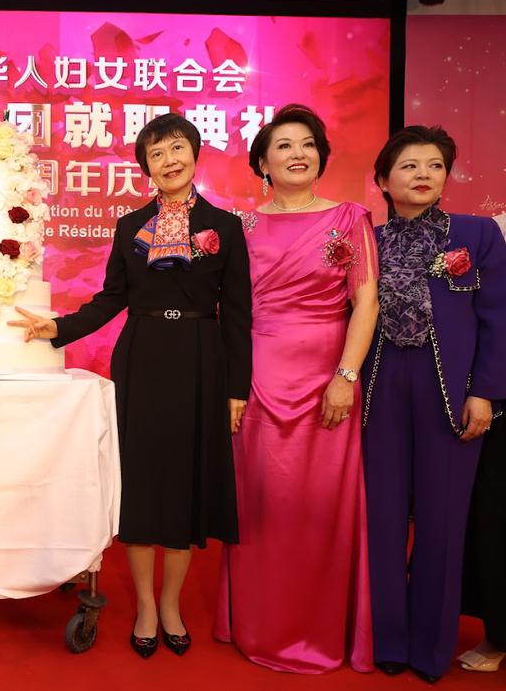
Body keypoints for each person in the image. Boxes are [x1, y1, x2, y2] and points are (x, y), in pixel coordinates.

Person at [12, 113, 251, 660]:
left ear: (195, 153)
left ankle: (171, 605)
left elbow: (238, 313)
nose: (168, 161)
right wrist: (58, 328)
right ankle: (144, 604)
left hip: (202, 358)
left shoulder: (225, 226)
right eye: (156, 154)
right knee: (141, 486)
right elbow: (112, 298)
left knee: (186, 487)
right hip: (142, 357)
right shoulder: (130, 227)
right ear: (146, 167)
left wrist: (236, 389)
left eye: (176, 149)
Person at [213, 104, 379, 674]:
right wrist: (231, 383)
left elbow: (366, 302)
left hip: (329, 380)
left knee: (321, 506)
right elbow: (229, 310)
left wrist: (346, 376)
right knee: (264, 504)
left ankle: (320, 629)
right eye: (283, 146)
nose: (297, 153)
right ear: (263, 162)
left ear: (321, 155)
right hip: (258, 378)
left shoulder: (351, 218)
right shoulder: (239, 227)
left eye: (307, 143)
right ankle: (259, 623)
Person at [362, 125, 506, 683]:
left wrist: (485, 392)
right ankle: (388, 639)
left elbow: (498, 319)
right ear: (383, 180)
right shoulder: (367, 237)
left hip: (450, 387)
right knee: (383, 515)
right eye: (409, 165)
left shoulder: (477, 234)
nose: (423, 174)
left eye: (435, 165)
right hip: (380, 386)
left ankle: (430, 647)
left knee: (443, 521)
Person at [458, 212, 506, 676]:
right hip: (497, 386)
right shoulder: (491, 230)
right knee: (493, 514)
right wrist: (486, 389)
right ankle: (498, 633)